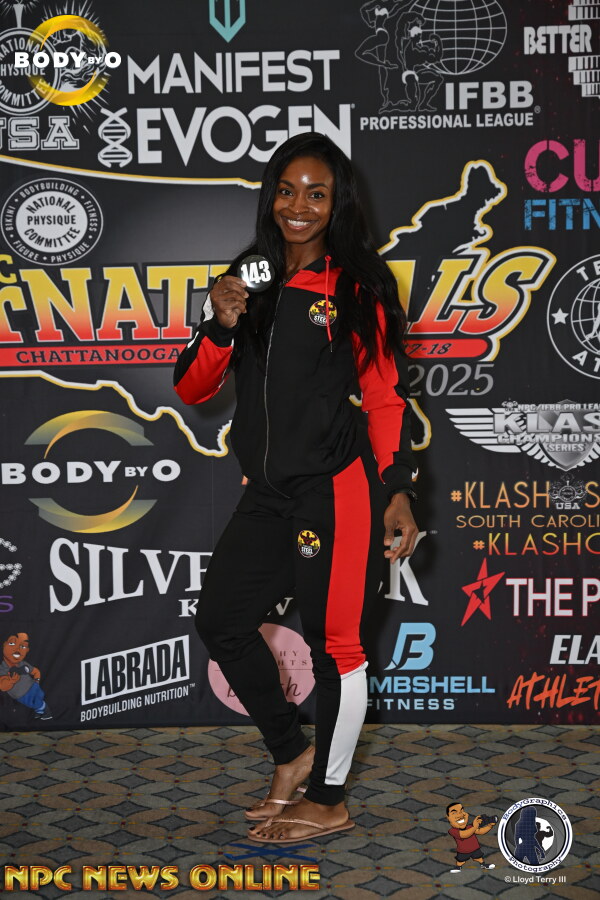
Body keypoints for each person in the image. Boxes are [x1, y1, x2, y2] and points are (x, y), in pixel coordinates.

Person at [174, 132, 418, 844]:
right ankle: (291, 753)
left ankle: (329, 799)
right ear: (270, 197)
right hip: (267, 494)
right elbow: (192, 388)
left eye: (316, 193)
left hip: (336, 490)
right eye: (287, 190)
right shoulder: (248, 276)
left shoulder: (359, 285)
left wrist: (398, 489)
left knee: (336, 645)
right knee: (221, 620)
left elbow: (384, 396)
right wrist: (221, 325)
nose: (299, 206)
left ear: (339, 202)